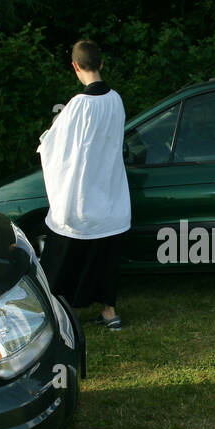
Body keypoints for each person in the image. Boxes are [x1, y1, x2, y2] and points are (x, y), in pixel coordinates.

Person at [37, 39, 130, 328]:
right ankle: (110, 313)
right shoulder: (116, 100)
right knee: (104, 259)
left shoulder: (77, 105)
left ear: (75, 66)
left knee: (64, 258)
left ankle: (57, 315)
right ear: (101, 63)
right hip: (111, 197)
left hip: (80, 200)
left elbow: (56, 145)